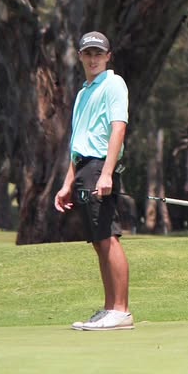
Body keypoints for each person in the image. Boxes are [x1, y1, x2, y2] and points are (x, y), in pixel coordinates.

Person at [54, 31, 133, 331]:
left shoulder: (114, 83)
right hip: (86, 168)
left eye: (99, 53)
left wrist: (107, 172)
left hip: (101, 165)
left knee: (108, 237)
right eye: (88, 53)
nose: (93, 58)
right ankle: (110, 307)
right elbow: (78, 145)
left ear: (108, 56)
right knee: (98, 242)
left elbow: (118, 129)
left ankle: (122, 311)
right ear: (80, 56)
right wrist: (67, 183)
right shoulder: (82, 93)